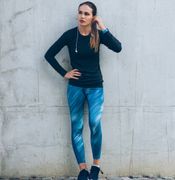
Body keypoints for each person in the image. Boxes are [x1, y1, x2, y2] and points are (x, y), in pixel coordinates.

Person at [44, 1, 122, 179]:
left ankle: (95, 166)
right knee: (76, 127)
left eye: (87, 13)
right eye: (80, 12)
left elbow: (118, 48)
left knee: (95, 124)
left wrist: (103, 27)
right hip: (75, 88)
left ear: (93, 16)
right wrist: (64, 73)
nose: (82, 16)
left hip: (95, 87)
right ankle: (82, 169)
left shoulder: (98, 34)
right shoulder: (70, 35)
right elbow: (49, 55)